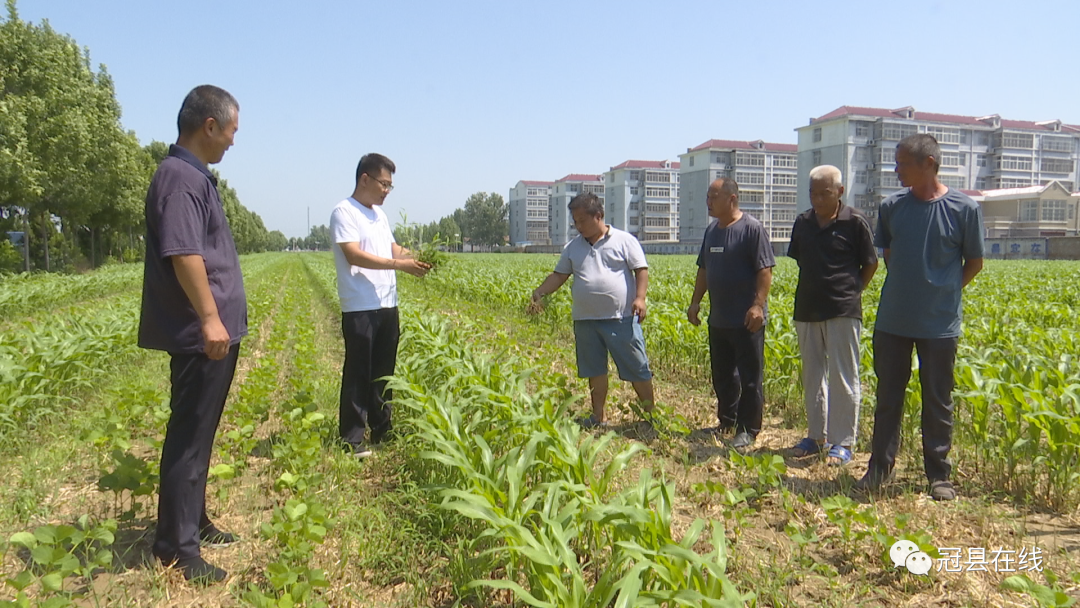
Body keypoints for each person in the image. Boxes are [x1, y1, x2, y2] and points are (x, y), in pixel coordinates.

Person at [138, 85, 244, 583]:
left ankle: (193, 523)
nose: (231, 142)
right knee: (188, 439)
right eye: (231, 131)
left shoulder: (192, 176)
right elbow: (184, 254)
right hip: (201, 335)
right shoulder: (180, 178)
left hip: (211, 334)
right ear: (209, 125)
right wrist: (209, 317)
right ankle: (177, 548)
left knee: (200, 437)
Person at [858, 134, 984, 501]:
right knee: (888, 397)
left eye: (903, 164)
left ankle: (938, 476)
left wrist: (944, 289)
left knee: (938, 398)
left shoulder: (964, 209)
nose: (896, 170)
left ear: (929, 163)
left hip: (939, 324)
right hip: (893, 320)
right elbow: (890, 254)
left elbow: (974, 263)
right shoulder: (892, 206)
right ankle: (879, 468)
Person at [330, 153, 430, 458]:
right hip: (360, 306)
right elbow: (354, 254)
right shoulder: (344, 212)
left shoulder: (380, 216)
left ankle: (382, 430)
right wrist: (399, 266)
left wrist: (417, 256)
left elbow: (391, 248)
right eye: (384, 184)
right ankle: (352, 438)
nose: (387, 190)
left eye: (390, 186)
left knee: (384, 372)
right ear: (365, 179)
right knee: (359, 371)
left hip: (388, 304)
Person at [528, 192, 654, 427]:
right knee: (594, 370)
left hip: (621, 318)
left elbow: (641, 269)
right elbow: (559, 276)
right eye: (575, 222)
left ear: (598, 216)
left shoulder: (624, 240)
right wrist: (539, 294)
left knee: (637, 367)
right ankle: (598, 416)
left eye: (582, 221)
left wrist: (640, 298)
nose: (578, 226)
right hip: (585, 320)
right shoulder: (573, 247)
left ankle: (650, 416)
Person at [787, 165, 878, 466]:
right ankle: (816, 436)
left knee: (843, 376)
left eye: (825, 193)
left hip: (843, 309)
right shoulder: (803, 222)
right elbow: (801, 259)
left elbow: (870, 264)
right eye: (813, 193)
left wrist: (851, 291)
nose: (818, 199)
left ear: (840, 191)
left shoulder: (855, 222)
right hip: (807, 308)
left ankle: (842, 442)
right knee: (813, 375)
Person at [687, 178, 775, 452]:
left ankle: (748, 429)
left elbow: (765, 270)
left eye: (713, 197)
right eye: (708, 196)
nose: (708, 202)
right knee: (723, 375)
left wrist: (758, 306)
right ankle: (727, 421)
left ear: (732, 198)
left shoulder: (751, 229)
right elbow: (704, 269)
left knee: (750, 378)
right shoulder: (712, 231)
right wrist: (695, 302)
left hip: (747, 319)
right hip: (719, 318)